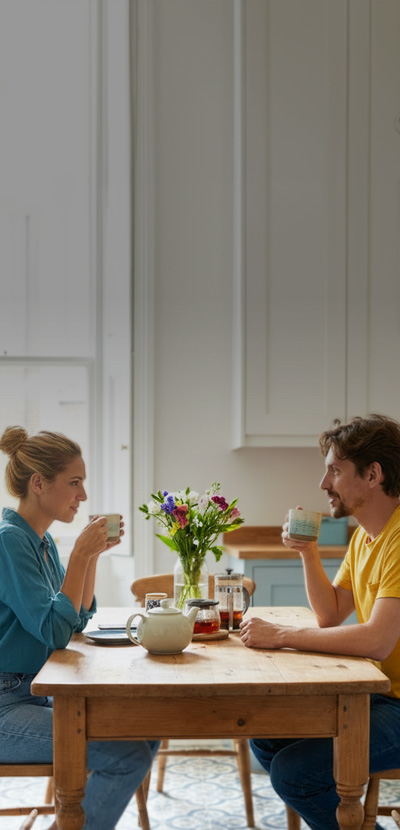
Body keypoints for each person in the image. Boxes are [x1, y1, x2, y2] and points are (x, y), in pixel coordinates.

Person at [240, 413, 400, 830]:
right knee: (267, 733)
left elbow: (379, 640)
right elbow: (330, 615)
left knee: (295, 773)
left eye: (334, 470)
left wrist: (283, 635)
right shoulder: (367, 535)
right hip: (382, 692)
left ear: (373, 475)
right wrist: (307, 552)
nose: (323, 483)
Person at [0, 425, 159, 830]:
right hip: (6, 706)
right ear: (39, 483)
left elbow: (76, 620)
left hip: (34, 693)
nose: (83, 495)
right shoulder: (8, 542)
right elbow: (55, 631)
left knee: (149, 724)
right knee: (129, 755)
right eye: (75, 482)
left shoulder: (42, 540)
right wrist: (78, 559)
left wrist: (90, 558)